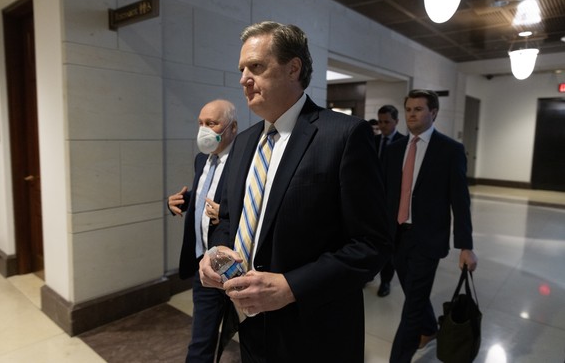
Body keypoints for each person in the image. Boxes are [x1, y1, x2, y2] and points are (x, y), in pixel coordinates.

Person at [199, 21, 392, 362]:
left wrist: (290, 287)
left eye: (256, 67)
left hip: (315, 329)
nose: (244, 78)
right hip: (250, 324)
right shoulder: (243, 143)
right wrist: (215, 252)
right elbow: (229, 217)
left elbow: (371, 245)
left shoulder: (344, 135)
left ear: (293, 68)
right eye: (242, 69)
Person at [382, 89, 478, 363]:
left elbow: (460, 201)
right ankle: (429, 329)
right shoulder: (394, 149)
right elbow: (386, 195)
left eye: (419, 109)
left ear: (433, 113)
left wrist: (465, 246)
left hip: (427, 238)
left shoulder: (450, 150)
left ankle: (398, 358)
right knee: (415, 292)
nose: (412, 114)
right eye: (409, 109)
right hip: (397, 236)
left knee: (411, 306)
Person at [167, 99, 238, 363]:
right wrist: (179, 202)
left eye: (212, 123)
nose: (204, 130)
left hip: (236, 264)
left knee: (256, 338)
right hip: (204, 266)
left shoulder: (245, 159)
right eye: (200, 123)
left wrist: (227, 211)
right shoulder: (202, 160)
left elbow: (256, 204)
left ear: (232, 128)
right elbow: (203, 196)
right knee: (201, 341)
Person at [373, 104, 404, 297]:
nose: (383, 126)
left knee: (389, 243)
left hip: (392, 203)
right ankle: (369, 273)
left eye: (387, 122)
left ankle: (386, 281)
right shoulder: (372, 140)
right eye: (380, 122)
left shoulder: (403, 143)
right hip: (371, 200)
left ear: (396, 122)